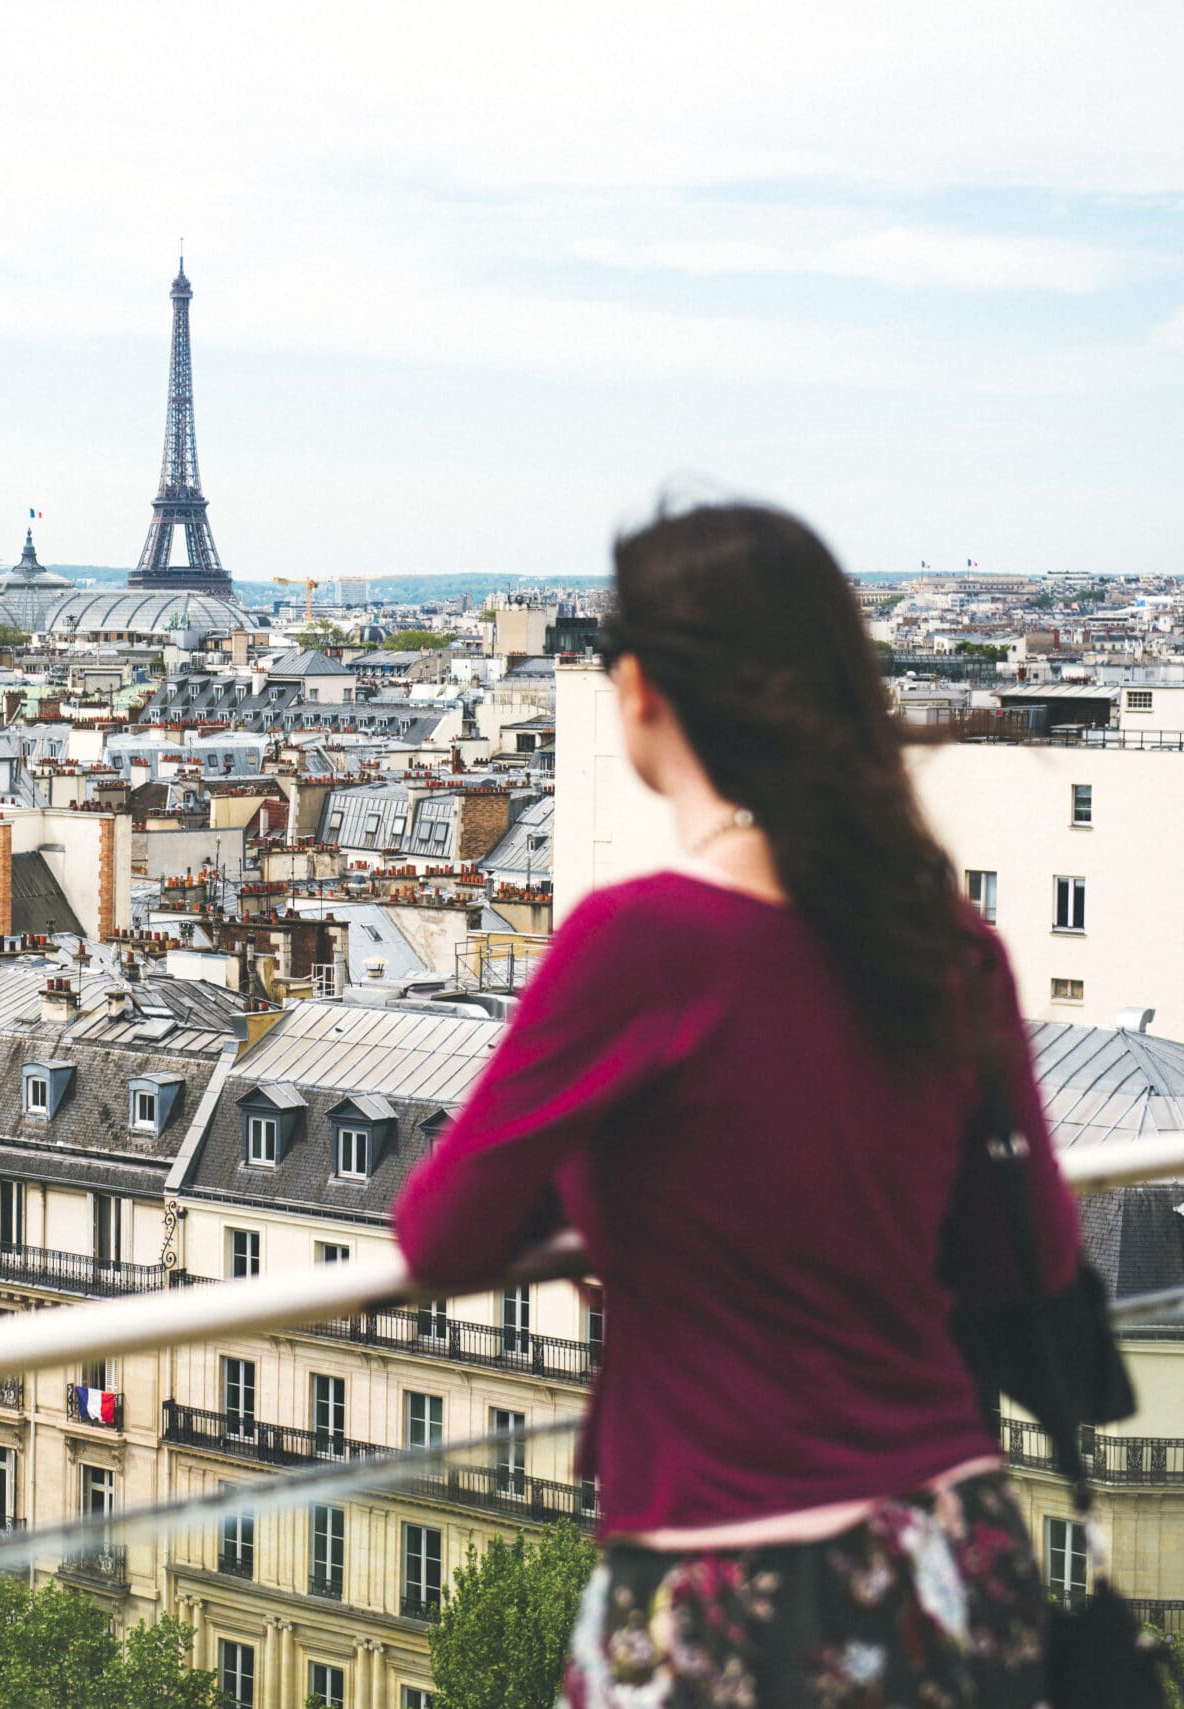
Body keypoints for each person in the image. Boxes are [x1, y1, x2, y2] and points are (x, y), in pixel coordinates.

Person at [393, 504, 1080, 1708]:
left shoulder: (638, 941)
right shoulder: (948, 943)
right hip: (952, 1545)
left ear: (644, 691)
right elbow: (1023, 1248)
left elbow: (441, 1236)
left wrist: (609, 1201)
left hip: (734, 1555)